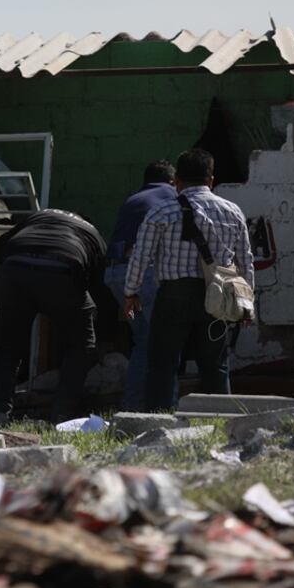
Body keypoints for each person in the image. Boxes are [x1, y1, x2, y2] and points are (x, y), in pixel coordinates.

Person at [123, 149, 254, 410]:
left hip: (174, 296)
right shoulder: (233, 212)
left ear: (177, 182)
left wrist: (131, 292)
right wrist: (248, 306)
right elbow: (245, 262)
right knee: (215, 365)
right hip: (217, 297)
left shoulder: (161, 212)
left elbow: (141, 256)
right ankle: (222, 423)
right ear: (211, 181)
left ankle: (158, 422)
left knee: (163, 363)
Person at [0, 209, 107, 422]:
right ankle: (63, 414)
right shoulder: (92, 233)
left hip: (13, 270)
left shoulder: (38, 216)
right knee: (81, 346)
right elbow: (96, 284)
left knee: (8, 347)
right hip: (63, 270)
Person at [104, 160, 176, 410]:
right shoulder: (170, 195)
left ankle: (132, 406)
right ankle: (166, 408)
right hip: (143, 280)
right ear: (172, 180)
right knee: (165, 340)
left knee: (143, 339)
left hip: (119, 284)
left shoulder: (133, 199)